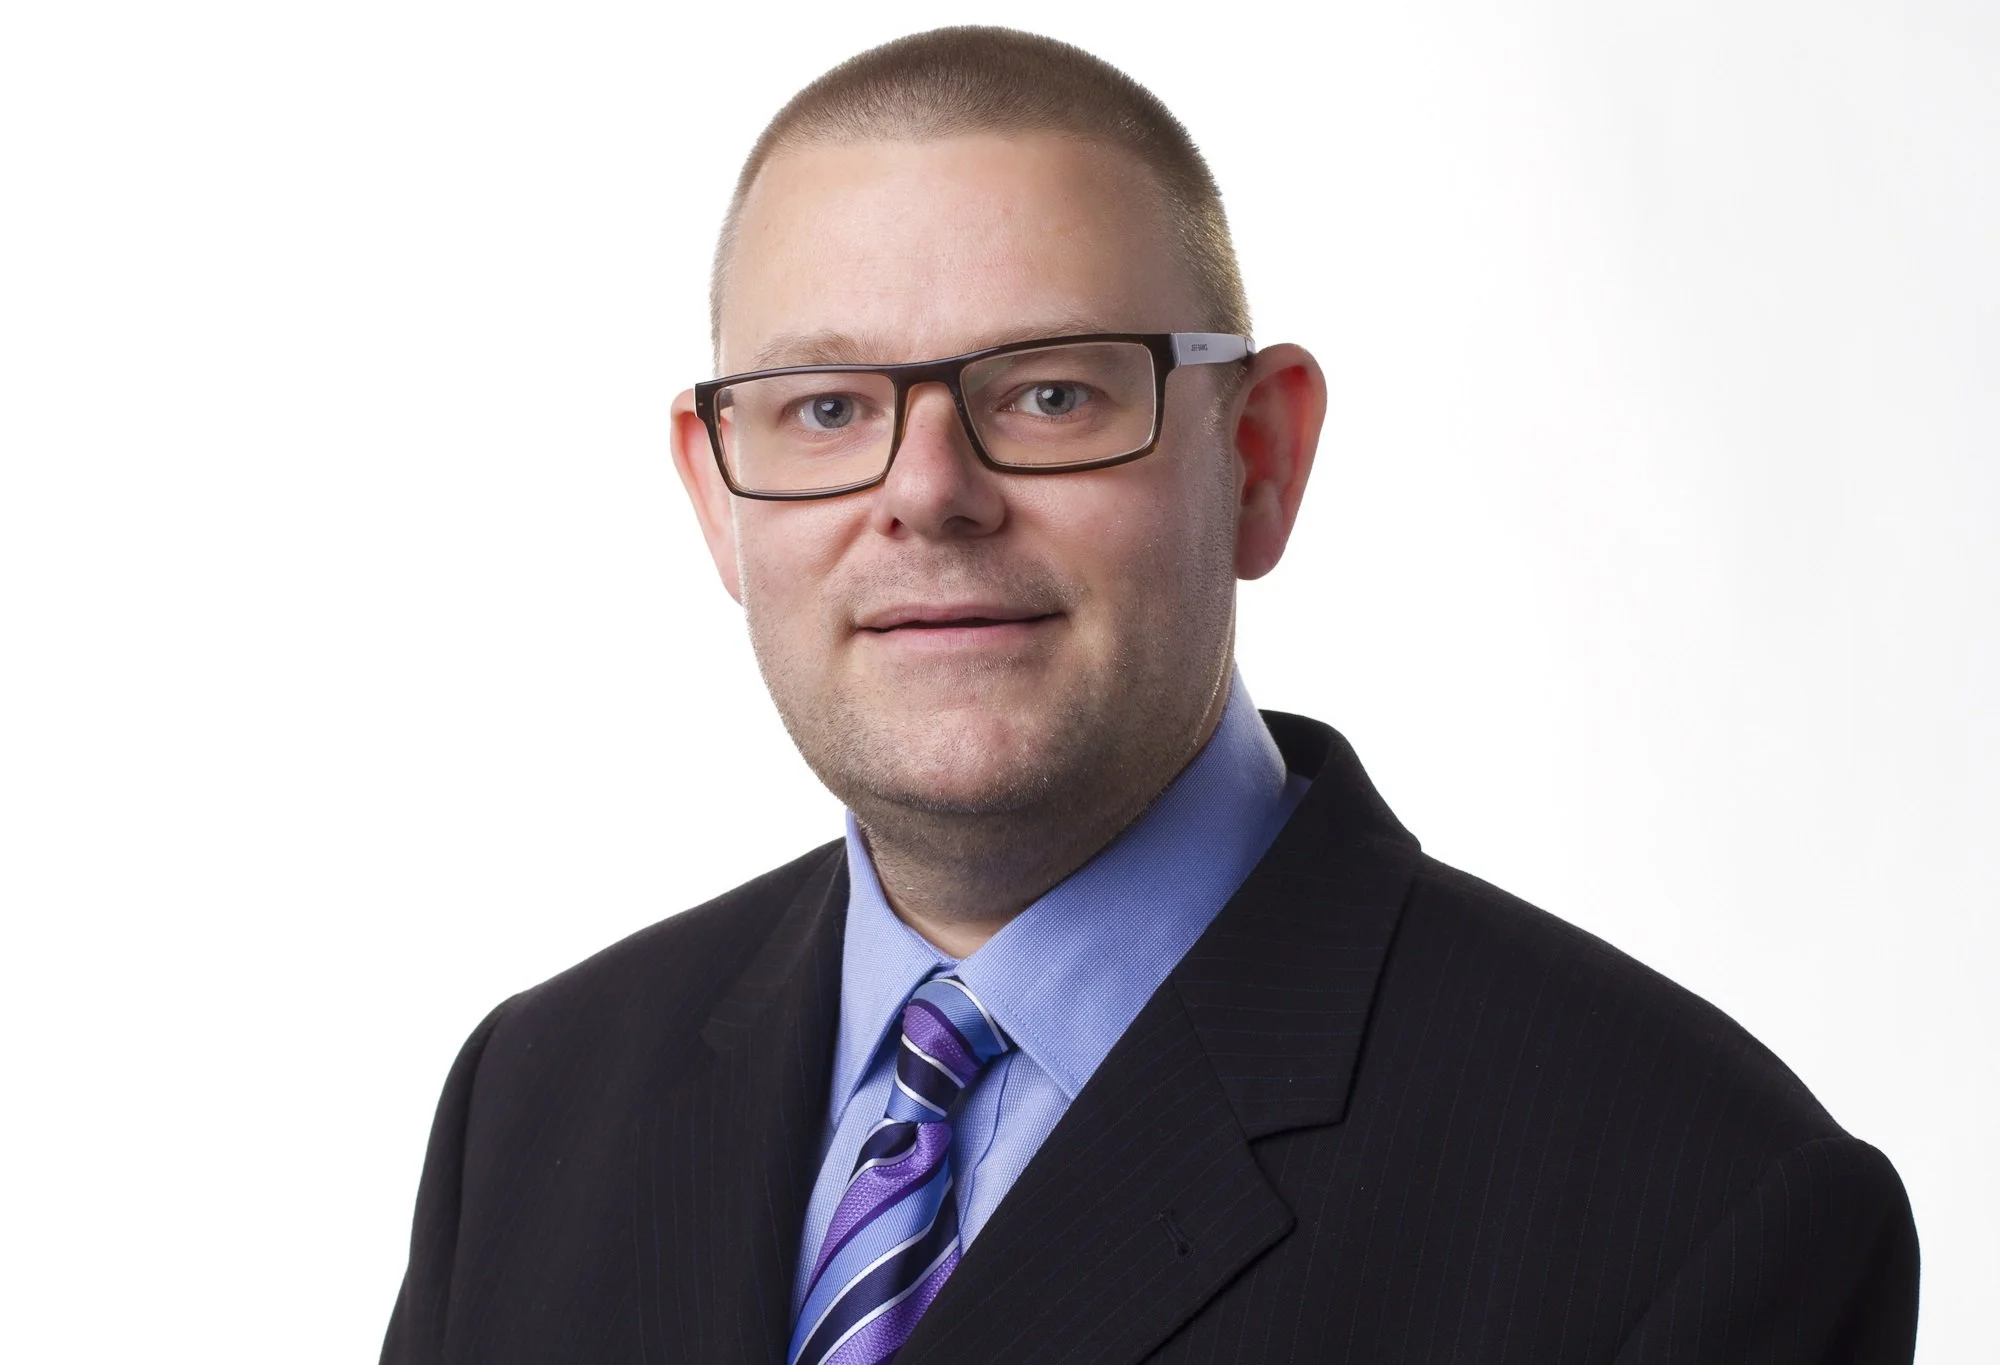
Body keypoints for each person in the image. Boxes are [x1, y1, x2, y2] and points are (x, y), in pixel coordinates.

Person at [380, 26, 1918, 1365]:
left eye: (1052, 394)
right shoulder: (535, 1102)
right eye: (827, 408)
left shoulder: (1690, 1203)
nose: (928, 493)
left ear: (1260, 459)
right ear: (719, 499)